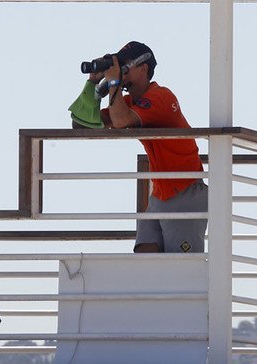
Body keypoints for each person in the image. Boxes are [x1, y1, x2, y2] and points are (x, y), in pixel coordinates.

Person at [88, 41, 208, 253]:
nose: (121, 70)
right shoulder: (131, 101)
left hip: (185, 191)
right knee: (145, 255)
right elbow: (82, 123)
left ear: (143, 68)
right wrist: (92, 86)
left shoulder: (162, 97)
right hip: (160, 194)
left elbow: (121, 120)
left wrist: (113, 81)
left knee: (183, 269)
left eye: (125, 65)